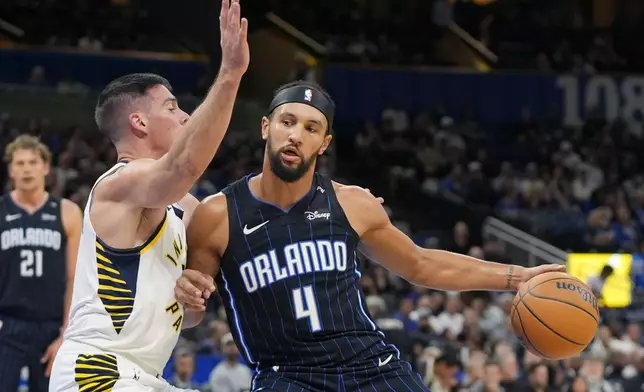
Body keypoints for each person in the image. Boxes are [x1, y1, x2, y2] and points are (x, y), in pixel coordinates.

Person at [174, 81, 565, 392]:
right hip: (287, 376)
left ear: (324, 143)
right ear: (266, 127)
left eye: (311, 128)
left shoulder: (353, 202)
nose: (296, 135)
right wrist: (187, 295)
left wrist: (518, 277)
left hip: (370, 367)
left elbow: (421, 265)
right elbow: (192, 316)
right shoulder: (218, 214)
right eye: (287, 122)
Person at [48, 0, 249, 390]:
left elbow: (184, 317)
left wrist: (190, 294)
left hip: (145, 375)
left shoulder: (184, 206)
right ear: (138, 121)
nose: (185, 116)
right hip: (98, 369)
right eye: (172, 107)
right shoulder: (117, 184)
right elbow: (182, 168)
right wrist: (230, 73)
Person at [0, 135, 83, 392]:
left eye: (33, 162)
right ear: (11, 170)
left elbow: (75, 278)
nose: (27, 168)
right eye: (20, 163)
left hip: (50, 325)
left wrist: (66, 335)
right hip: (7, 323)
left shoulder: (67, 212)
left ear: (46, 168)